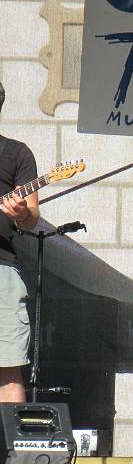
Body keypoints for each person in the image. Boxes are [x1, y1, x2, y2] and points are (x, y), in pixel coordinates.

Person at [0, 80, 41, 403]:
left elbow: (31, 219)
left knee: (9, 369)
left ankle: (9, 452)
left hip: (2, 268)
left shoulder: (16, 153)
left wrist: (19, 212)